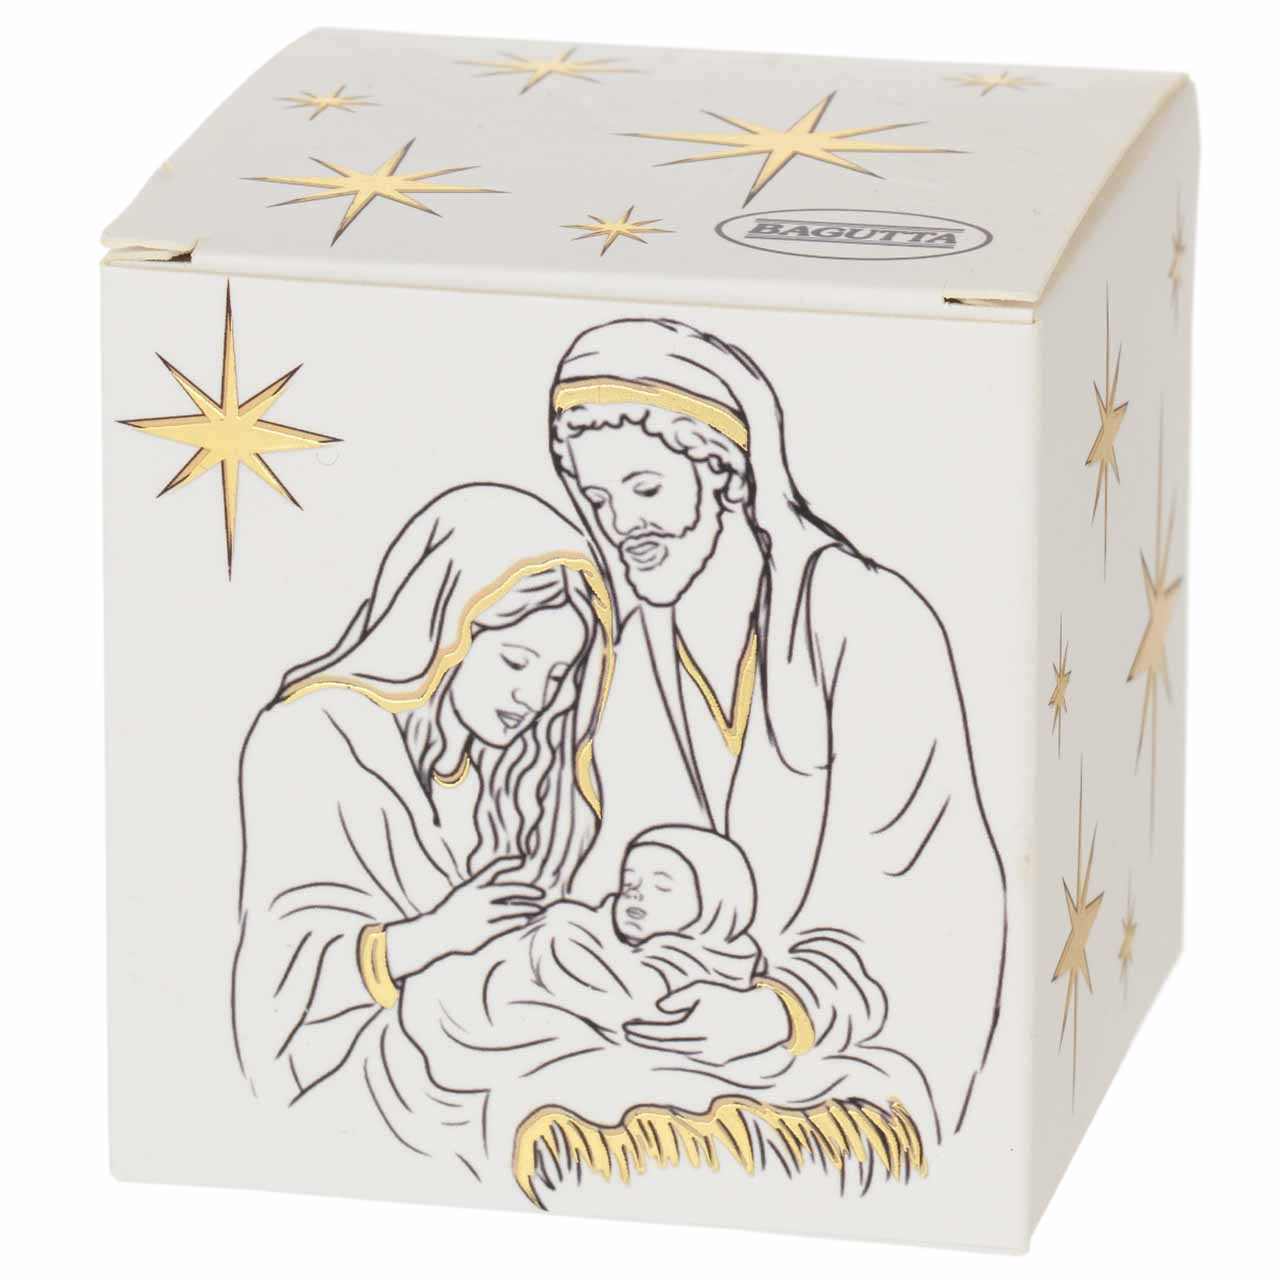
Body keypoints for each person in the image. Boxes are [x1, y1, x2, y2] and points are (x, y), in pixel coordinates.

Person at [547, 318, 1008, 1147]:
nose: (621, 524)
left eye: (645, 489)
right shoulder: (635, 647)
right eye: (599, 499)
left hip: (854, 1041)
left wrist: (779, 1009)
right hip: (679, 1021)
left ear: (725, 472)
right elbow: (618, 859)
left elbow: (912, 895)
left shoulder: (867, 617)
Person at [230, 483, 613, 1167]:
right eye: (516, 661)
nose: (534, 697)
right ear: (444, 630)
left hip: (475, 1054)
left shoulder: (507, 782)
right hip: (346, 1082)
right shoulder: (313, 736)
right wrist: (436, 936)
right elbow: (280, 983)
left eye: (558, 677)